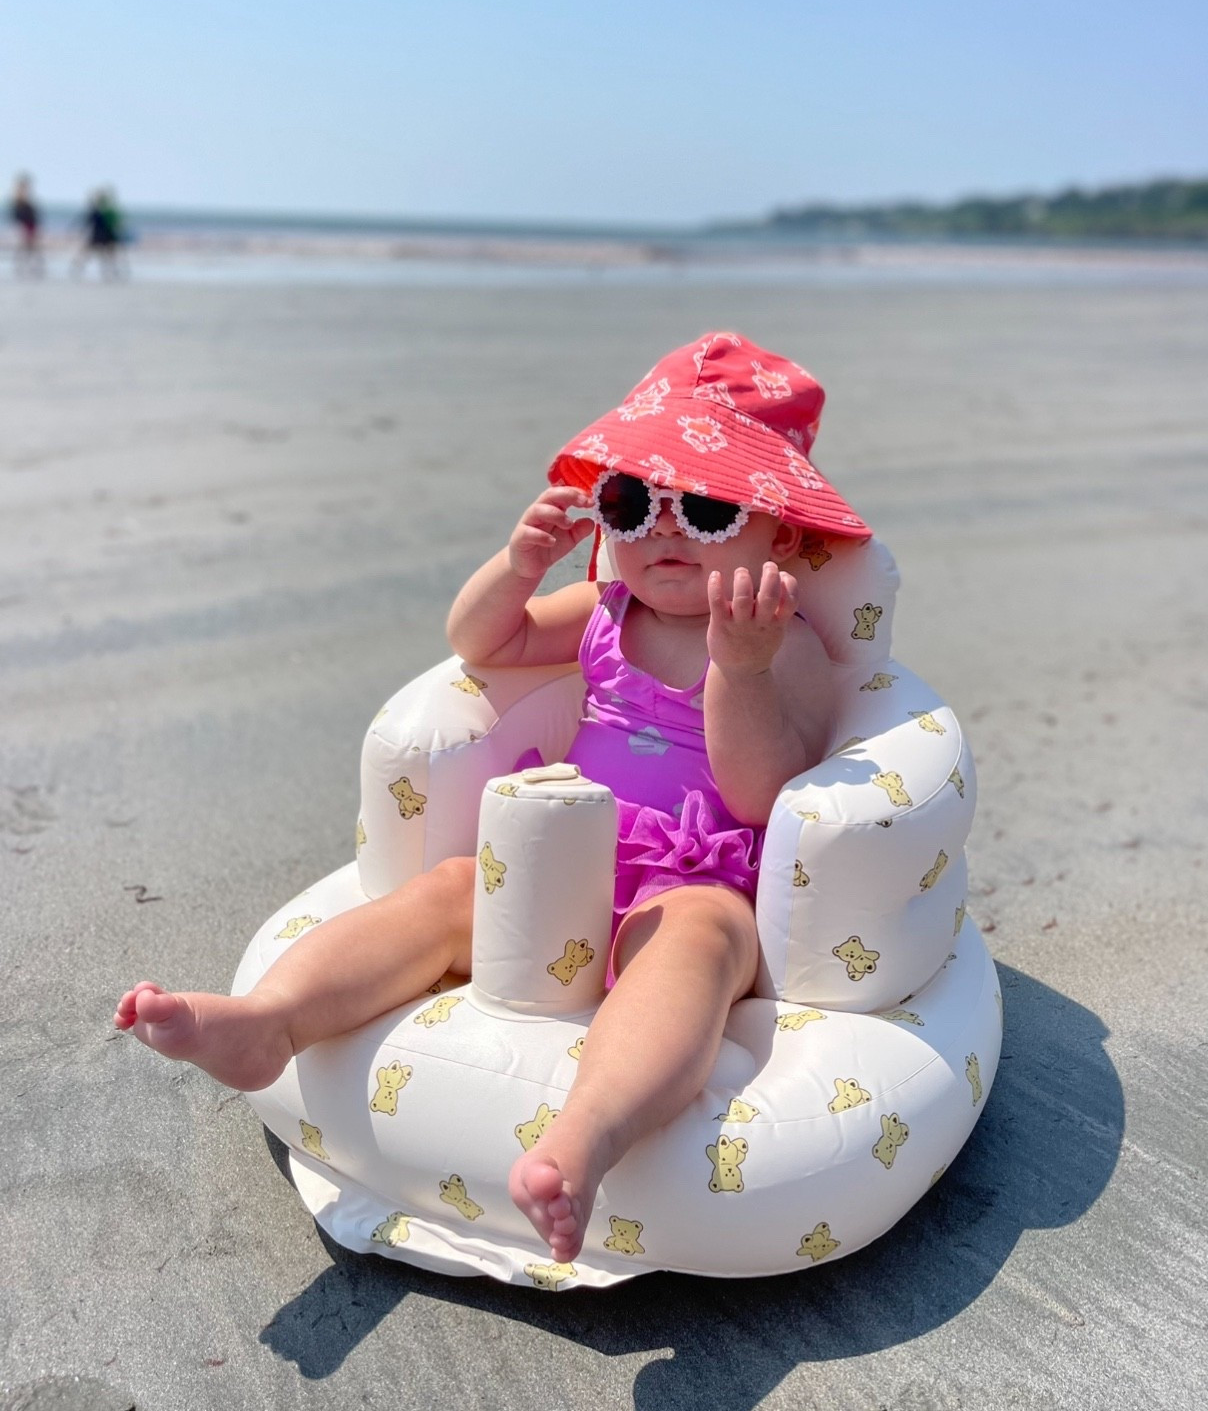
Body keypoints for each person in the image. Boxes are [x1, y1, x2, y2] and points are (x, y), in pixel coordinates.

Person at [115, 333, 872, 1261]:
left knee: (701, 942)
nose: (662, 529)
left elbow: (761, 793)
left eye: (707, 507)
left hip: (692, 875)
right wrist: (519, 567)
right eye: (631, 502)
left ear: (781, 533)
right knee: (445, 893)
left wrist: (741, 670)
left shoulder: (779, 642)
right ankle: (268, 1022)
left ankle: (585, 1134)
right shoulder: (605, 612)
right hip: (566, 854)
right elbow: (487, 644)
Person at [9, 174, 43, 276]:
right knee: (27, 245)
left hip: (30, 223)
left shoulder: (23, 198)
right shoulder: (19, 198)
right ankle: (24, 265)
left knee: (29, 245)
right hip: (26, 224)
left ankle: (27, 265)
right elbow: (18, 214)